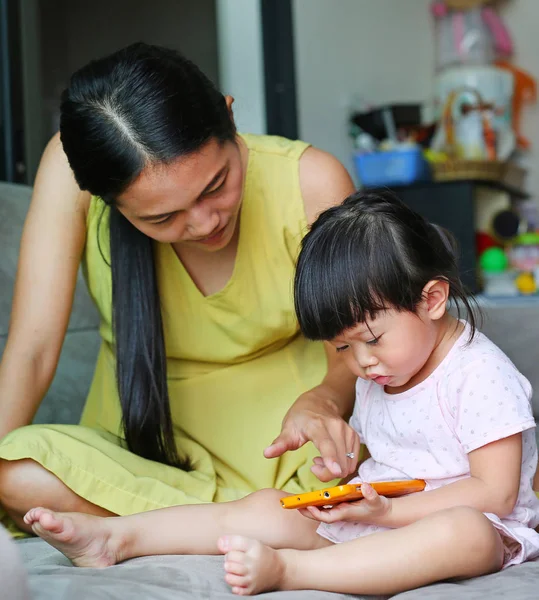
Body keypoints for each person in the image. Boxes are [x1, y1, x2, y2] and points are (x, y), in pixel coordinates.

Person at [23, 192, 539, 596]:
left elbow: (494, 493)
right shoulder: (382, 366)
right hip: (380, 514)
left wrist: (388, 514)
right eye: (341, 348)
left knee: (462, 534)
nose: (360, 362)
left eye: (371, 339)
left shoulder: (479, 374)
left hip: (474, 526)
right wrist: (344, 467)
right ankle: (116, 537)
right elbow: (397, 450)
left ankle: (294, 571)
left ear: (432, 298)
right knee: (270, 507)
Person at [0, 43, 360, 535]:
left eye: (216, 185)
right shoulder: (68, 171)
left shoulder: (312, 181)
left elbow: (358, 346)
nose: (205, 223)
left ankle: (172, 529)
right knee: (16, 475)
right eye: (162, 217)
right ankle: (253, 524)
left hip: (291, 453)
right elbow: (33, 351)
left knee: (350, 481)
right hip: (141, 457)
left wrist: (324, 400)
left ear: (229, 119)